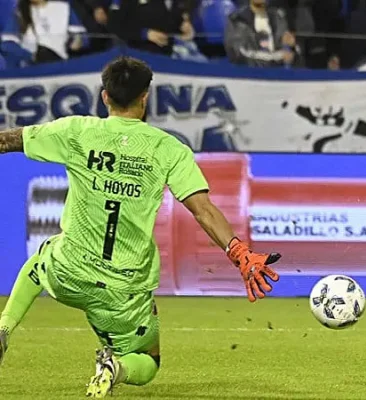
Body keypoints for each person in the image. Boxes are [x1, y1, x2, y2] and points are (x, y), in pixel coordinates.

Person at [0, 56, 281, 398]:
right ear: (146, 96)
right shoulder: (168, 149)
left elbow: (7, 141)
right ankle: (116, 368)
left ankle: (4, 327)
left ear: (105, 96)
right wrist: (239, 253)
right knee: (148, 361)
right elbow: (203, 209)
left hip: (68, 272)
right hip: (124, 290)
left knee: (44, 257)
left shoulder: (75, 132)